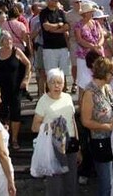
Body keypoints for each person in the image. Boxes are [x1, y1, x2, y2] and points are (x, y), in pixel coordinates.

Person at [32, 68, 79, 196]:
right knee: (55, 186)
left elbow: (73, 121)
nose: (56, 86)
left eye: (59, 82)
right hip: (53, 147)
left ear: (64, 84)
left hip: (70, 145)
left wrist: (78, 146)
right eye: (53, 82)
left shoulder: (68, 98)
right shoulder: (43, 101)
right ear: (47, 84)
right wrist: (52, 126)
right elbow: (35, 127)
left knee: (71, 183)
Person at [80, 56, 113, 196]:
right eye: (112, 73)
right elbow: (85, 121)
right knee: (106, 182)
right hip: (100, 141)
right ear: (105, 74)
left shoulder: (107, 88)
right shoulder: (90, 93)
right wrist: (107, 126)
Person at [0, 31, 32, 150]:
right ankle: (4, 138)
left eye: (10, 39)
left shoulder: (16, 51)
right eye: (6, 40)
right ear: (2, 41)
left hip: (15, 87)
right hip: (1, 89)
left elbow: (28, 64)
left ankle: (14, 139)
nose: (9, 42)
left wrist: (26, 79)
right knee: (2, 113)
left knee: (16, 113)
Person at [40, 0, 71, 84]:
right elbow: (46, 26)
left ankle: (63, 90)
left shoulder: (61, 12)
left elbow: (66, 26)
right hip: (49, 47)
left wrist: (54, 29)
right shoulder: (43, 13)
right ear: (49, 1)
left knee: (63, 72)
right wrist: (58, 25)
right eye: (54, 0)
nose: (57, 1)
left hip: (62, 46)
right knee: (51, 73)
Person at [74, 1, 105, 91]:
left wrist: (98, 45)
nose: (92, 13)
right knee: (84, 82)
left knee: (98, 77)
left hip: (97, 54)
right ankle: (82, 101)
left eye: (92, 11)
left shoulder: (96, 23)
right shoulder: (78, 25)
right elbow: (79, 40)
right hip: (84, 56)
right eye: (90, 12)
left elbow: (102, 35)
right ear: (85, 13)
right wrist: (92, 47)